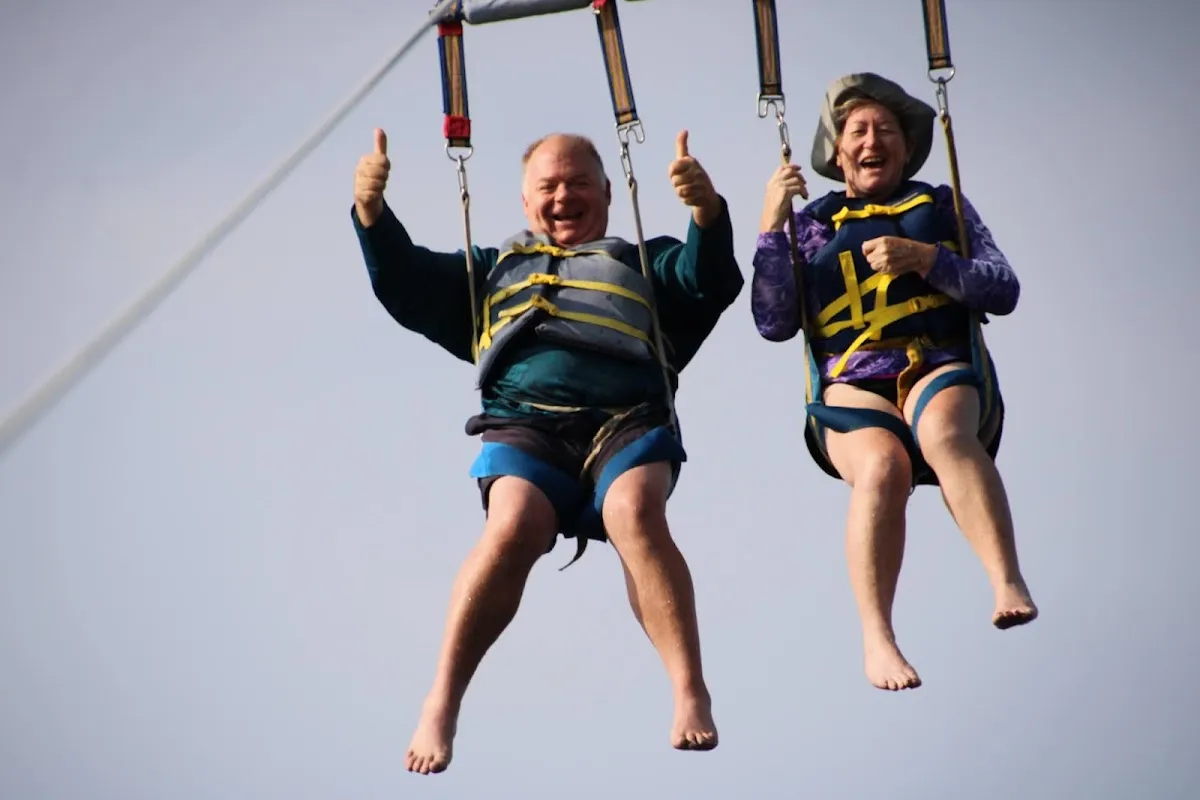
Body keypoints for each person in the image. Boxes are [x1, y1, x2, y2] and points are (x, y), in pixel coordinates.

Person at [351, 127, 743, 772]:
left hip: (626, 422)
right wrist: (372, 213)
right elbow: (406, 280)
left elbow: (707, 280)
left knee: (634, 512)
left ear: (607, 193)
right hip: (525, 429)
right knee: (512, 525)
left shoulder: (646, 262)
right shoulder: (492, 271)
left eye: (578, 183)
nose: (564, 196)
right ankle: (441, 702)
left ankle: (688, 689)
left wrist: (706, 212)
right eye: (548, 186)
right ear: (527, 200)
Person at [750, 72, 1038, 692]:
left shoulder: (941, 206)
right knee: (883, 469)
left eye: (886, 130)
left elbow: (1002, 287)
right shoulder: (814, 223)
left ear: (907, 148)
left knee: (942, 434)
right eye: (857, 130)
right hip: (853, 379)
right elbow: (773, 321)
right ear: (836, 150)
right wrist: (772, 223)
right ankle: (877, 639)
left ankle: (1005, 576)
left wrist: (928, 260)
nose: (872, 139)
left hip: (936, 363)